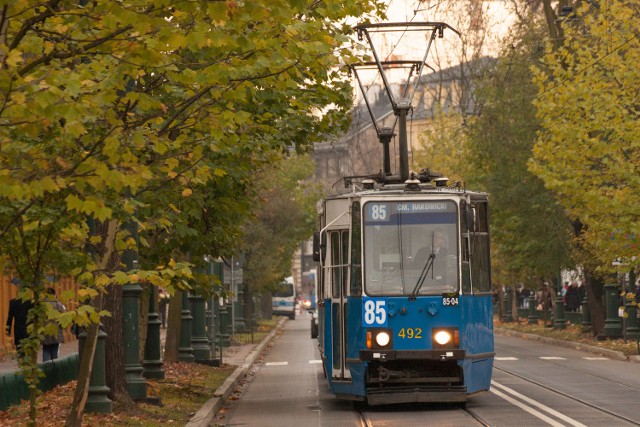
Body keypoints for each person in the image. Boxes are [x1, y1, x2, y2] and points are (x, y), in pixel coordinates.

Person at [42, 288, 66, 362]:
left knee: (46, 349)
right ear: (54, 294)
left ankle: (45, 367)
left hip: (45, 331)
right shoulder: (58, 305)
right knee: (54, 349)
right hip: (56, 330)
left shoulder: (42, 305)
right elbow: (64, 317)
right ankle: (54, 368)